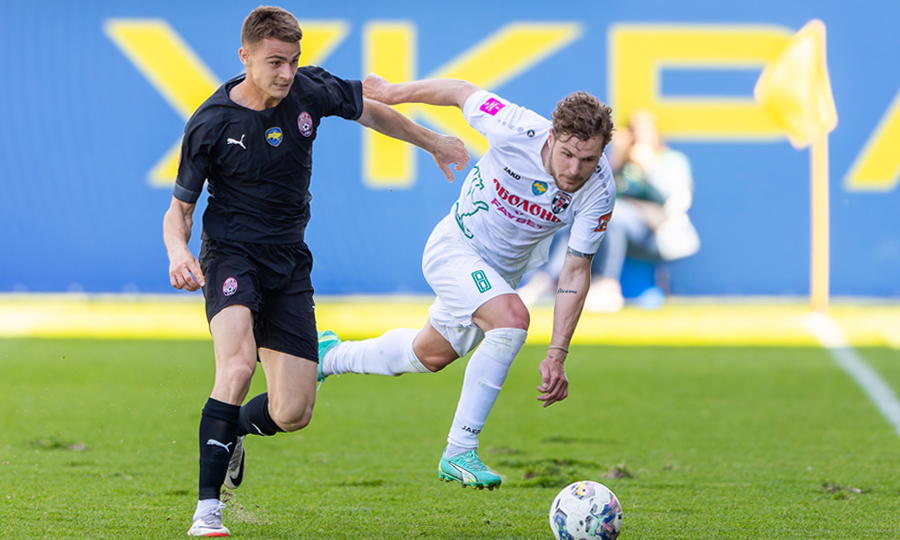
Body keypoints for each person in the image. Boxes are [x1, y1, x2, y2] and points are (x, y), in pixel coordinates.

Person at [162, 7, 469, 537]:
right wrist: (177, 251)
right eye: (274, 62)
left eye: (293, 61)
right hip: (231, 256)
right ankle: (207, 512)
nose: (286, 73)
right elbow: (179, 211)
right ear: (245, 56)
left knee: (292, 412)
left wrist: (433, 142)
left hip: (288, 262)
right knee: (237, 367)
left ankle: (233, 431)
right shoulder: (211, 122)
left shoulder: (309, 89)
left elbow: (371, 112)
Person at [316, 75, 616, 490]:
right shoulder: (516, 127)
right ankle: (460, 450)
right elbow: (460, 92)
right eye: (567, 154)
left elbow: (576, 270)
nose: (574, 169)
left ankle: (329, 356)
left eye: (588, 159)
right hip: (455, 248)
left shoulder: (599, 189)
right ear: (552, 136)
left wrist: (557, 353)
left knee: (428, 355)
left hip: (499, 276)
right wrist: (391, 94)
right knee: (512, 319)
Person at [518, 110, 698, 312]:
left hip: (658, 231)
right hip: (615, 228)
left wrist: (647, 167)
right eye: (634, 134)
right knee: (576, 220)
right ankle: (549, 281)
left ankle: (607, 285)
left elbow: (667, 197)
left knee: (612, 215)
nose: (639, 140)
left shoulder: (671, 160)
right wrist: (615, 164)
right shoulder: (622, 164)